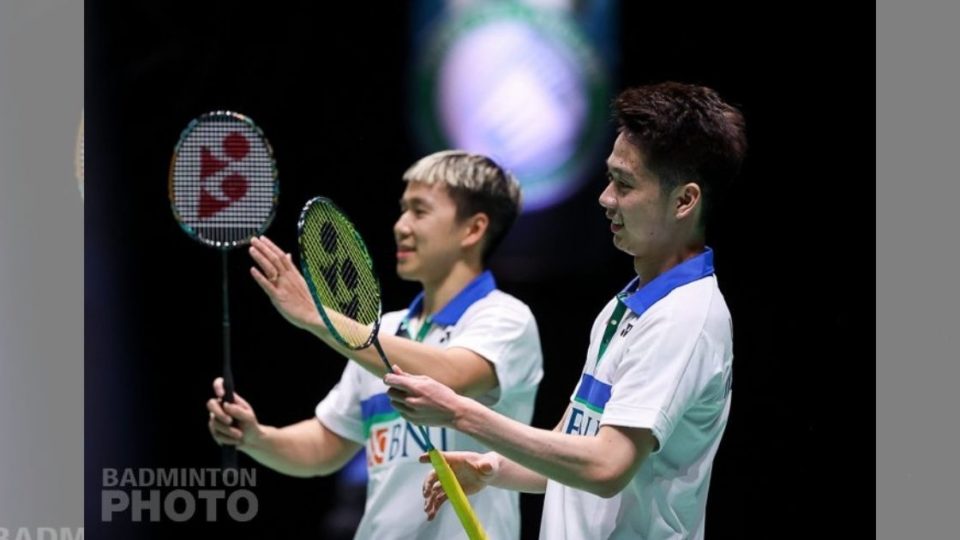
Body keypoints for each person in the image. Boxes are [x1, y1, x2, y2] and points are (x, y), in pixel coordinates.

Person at [385, 82, 747, 539]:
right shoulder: (627, 304)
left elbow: (606, 466)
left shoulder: (684, 319)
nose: (605, 198)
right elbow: (577, 445)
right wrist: (494, 468)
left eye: (625, 184)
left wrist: (460, 414)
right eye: (610, 177)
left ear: (684, 200)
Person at [207, 150, 544, 539]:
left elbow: (452, 375)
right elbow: (323, 446)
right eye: (402, 210)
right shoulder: (386, 330)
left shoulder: (506, 320)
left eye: (419, 211)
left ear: (472, 229)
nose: (400, 226)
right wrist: (257, 438)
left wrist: (318, 317)